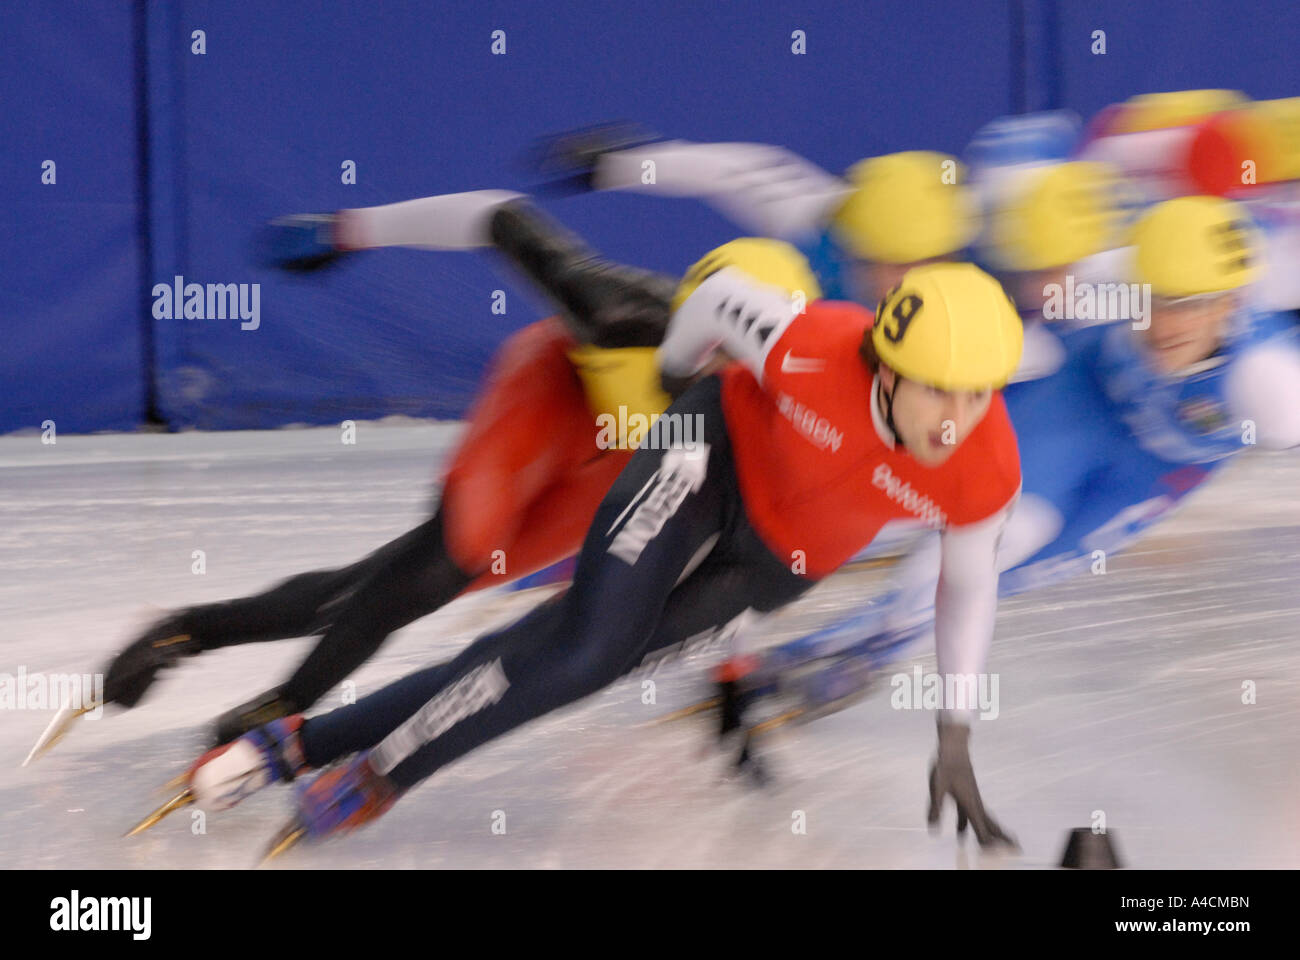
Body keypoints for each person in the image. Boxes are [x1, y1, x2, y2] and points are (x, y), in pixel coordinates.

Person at [182, 243, 1027, 850]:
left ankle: (300, 743)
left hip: (774, 562)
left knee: (552, 656)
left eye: (978, 395)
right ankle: (381, 775)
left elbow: (967, 588)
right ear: (884, 368)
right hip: (707, 462)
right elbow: (714, 297)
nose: (956, 421)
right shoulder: (809, 345)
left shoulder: (983, 466)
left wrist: (954, 733)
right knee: (586, 647)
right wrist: (677, 371)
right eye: (937, 393)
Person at [91, 194, 676, 746]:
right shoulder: (616, 310)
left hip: (621, 458)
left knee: (391, 586)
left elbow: (750, 545)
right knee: (448, 561)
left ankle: (189, 632)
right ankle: (280, 701)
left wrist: (737, 671)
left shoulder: (736, 433)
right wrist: (349, 230)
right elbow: (495, 215)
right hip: (555, 388)